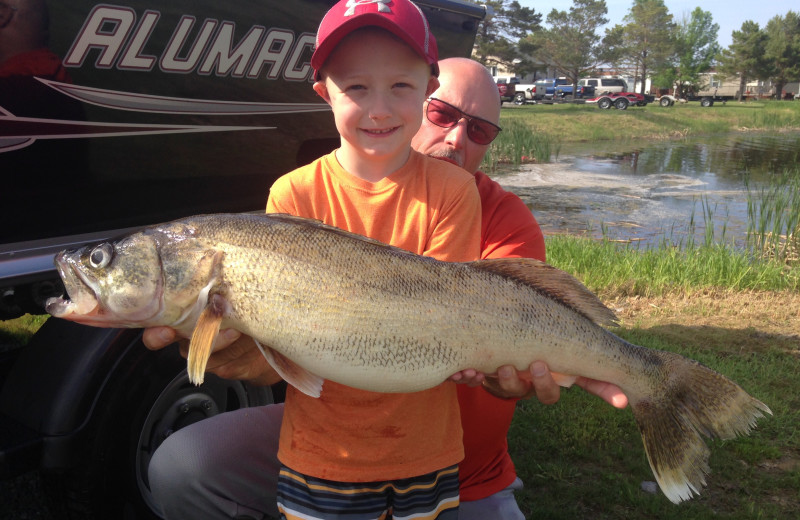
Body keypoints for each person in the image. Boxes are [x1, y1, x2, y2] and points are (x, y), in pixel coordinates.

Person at [145, 49, 626, 520]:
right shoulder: (300, 194)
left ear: (419, 92)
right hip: (328, 448)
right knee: (183, 464)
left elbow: (495, 338)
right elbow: (292, 354)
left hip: (461, 470)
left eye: (479, 130)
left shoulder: (501, 216)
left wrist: (534, 373)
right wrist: (233, 348)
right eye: (443, 115)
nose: (457, 139)